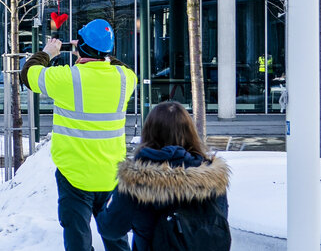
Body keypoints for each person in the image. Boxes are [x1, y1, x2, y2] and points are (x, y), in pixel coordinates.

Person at [24, 20, 138, 251]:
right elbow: (115, 63)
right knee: (116, 237)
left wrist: (47, 52)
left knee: (78, 239)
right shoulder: (125, 79)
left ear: (81, 47)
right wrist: (93, 49)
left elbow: (28, 74)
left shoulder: (67, 79)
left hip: (74, 175)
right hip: (111, 174)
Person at [98, 101, 231, 251]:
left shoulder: (136, 180)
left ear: (149, 133)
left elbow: (110, 229)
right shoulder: (211, 175)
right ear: (190, 132)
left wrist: (103, 205)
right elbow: (221, 217)